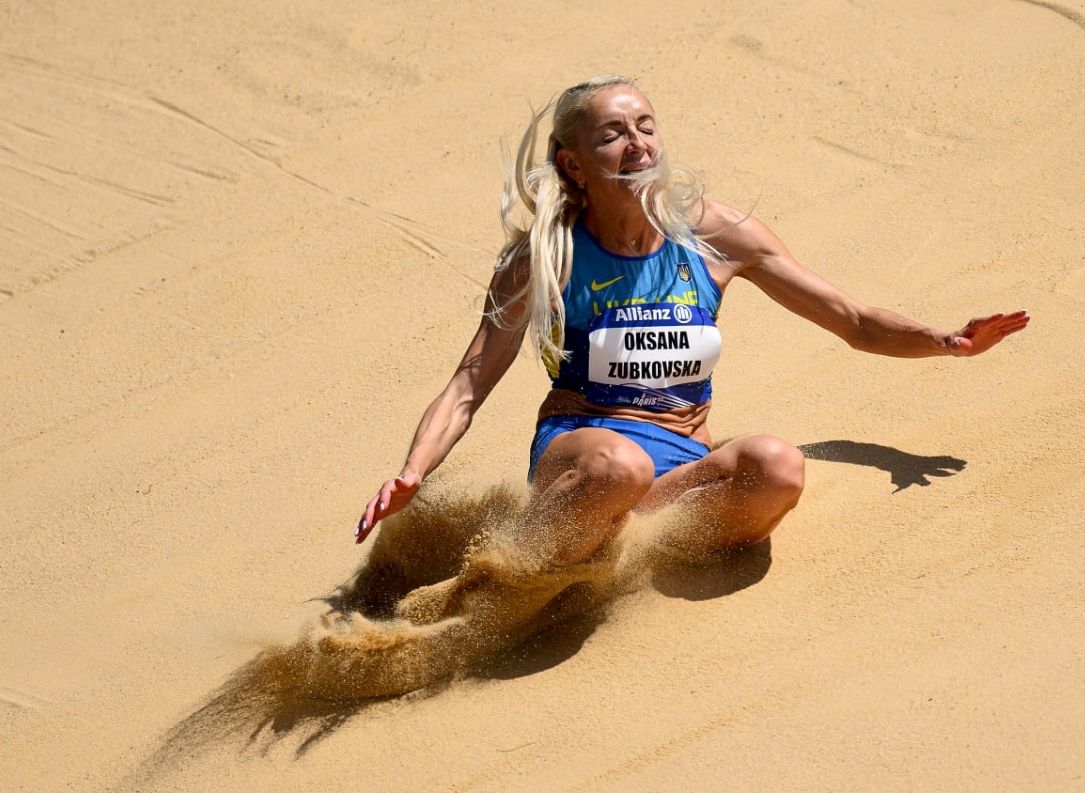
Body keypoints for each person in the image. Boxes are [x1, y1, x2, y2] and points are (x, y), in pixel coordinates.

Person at [353, 75, 1029, 567]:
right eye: (612, 133)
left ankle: (625, 555)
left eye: (645, 125)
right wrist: (413, 470)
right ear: (573, 164)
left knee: (777, 466)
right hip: (584, 451)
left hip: (679, 463)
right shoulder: (547, 257)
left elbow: (852, 319)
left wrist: (944, 342)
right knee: (619, 467)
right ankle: (510, 569)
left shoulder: (713, 236)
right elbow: (469, 382)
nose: (638, 143)